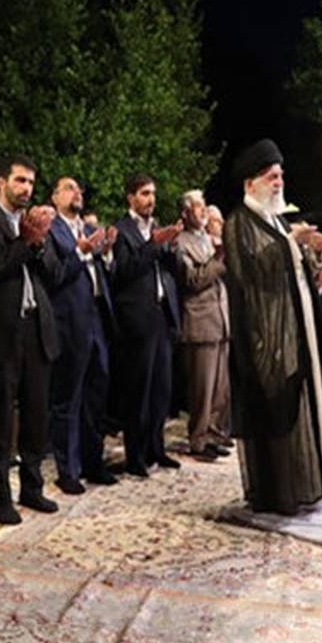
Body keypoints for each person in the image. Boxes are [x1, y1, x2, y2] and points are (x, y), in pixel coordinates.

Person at [223, 139, 322, 515]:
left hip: (298, 328)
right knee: (276, 410)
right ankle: (279, 493)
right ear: (250, 183)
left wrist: (313, 249)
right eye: (272, 177)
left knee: (305, 403)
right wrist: (290, 242)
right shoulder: (238, 222)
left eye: (280, 175)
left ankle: (307, 483)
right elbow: (250, 273)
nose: (279, 182)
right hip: (267, 338)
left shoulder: (277, 219)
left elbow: (295, 270)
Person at [0, 155, 62, 525]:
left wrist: (38, 245)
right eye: (20, 180)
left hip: (36, 328)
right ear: (1, 181)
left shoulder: (34, 224)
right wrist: (24, 241)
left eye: (31, 183)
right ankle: (0, 496)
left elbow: (54, 274)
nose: (26, 189)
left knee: (36, 415)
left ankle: (32, 488)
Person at [46, 176, 119, 493]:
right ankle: (68, 469)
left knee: (96, 394)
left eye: (79, 189)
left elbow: (105, 273)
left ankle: (93, 461)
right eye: (69, 188)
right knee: (68, 396)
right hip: (69, 321)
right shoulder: (51, 230)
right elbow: (54, 275)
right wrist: (80, 252)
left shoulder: (90, 229)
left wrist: (107, 252)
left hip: (96, 318)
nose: (77, 193)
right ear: (54, 197)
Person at [110, 173, 184, 478]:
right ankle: (136, 456)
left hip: (162, 314)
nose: (150, 199)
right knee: (138, 390)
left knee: (161, 389)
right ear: (131, 197)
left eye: (152, 193)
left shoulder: (157, 227)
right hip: (137, 318)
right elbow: (124, 271)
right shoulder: (121, 230)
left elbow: (171, 271)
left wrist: (172, 247)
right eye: (144, 193)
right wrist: (153, 244)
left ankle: (156, 448)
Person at [175, 189, 232, 461]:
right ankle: (198, 438)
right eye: (198, 206)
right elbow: (193, 279)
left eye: (204, 205)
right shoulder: (180, 242)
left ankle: (214, 433)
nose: (203, 211)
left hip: (220, 318)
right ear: (185, 213)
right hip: (199, 320)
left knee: (220, 387)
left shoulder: (208, 239)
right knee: (203, 387)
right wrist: (219, 259)